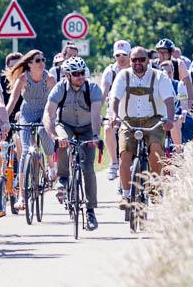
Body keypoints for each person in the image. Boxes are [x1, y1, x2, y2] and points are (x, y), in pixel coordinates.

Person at [109, 46, 175, 209]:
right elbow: (114, 98)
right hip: (128, 121)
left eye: (141, 59)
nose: (138, 63)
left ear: (148, 60)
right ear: (130, 61)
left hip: (153, 121)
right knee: (124, 155)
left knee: (155, 147)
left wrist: (170, 120)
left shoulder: (160, 76)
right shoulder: (122, 76)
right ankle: (125, 195)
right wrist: (114, 116)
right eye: (134, 60)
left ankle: (154, 186)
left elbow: (169, 100)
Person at [43, 57, 103, 230]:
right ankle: (62, 178)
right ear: (67, 75)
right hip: (65, 125)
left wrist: (95, 136)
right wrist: (54, 135)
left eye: (82, 73)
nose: (80, 76)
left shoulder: (92, 89)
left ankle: (90, 211)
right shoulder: (59, 88)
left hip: (87, 128)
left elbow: (96, 115)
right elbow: (48, 114)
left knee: (88, 168)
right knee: (63, 141)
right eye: (75, 74)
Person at [6, 49, 55, 211]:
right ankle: (21, 196)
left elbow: (56, 101)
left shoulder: (49, 78)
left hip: (44, 113)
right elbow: (13, 100)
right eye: (38, 60)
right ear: (29, 64)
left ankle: (50, 167)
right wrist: (4, 120)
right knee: (26, 151)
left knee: (42, 131)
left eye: (43, 59)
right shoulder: (23, 78)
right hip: (26, 114)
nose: (42, 63)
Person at [100, 40, 132, 181]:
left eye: (124, 54)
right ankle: (113, 162)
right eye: (118, 55)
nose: (121, 58)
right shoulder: (110, 71)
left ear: (130, 54)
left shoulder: (135, 68)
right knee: (108, 128)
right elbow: (103, 91)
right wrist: (96, 111)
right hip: (115, 109)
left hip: (133, 108)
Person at [155, 38, 193, 151]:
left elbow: (187, 83)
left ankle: (181, 148)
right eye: (159, 52)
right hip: (159, 102)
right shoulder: (153, 65)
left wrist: (189, 104)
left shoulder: (178, 64)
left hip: (178, 99)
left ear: (171, 53)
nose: (161, 55)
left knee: (189, 122)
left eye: (165, 52)